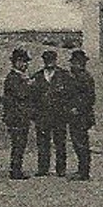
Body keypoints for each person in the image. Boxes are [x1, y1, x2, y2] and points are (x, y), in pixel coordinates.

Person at [31, 49, 71, 178]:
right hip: (42, 115)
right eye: (47, 60)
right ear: (44, 61)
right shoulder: (37, 76)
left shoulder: (64, 75)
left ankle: (61, 169)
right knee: (43, 142)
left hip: (59, 115)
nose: (49, 63)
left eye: (51, 60)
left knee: (60, 142)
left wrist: (65, 109)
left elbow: (69, 95)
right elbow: (33, 96)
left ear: (55, 60)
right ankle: (43, 168)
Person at [2, 49, 34, 179]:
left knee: (20, 144)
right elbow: (21, 94)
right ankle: (15, 171)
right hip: (16, 117)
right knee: (18, 144)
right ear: (16, 62)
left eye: (26, 62)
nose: (25, 65)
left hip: (21, 116)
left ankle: (17, 169)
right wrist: (29, 85)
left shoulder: (19, 77)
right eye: (23, 62)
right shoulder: (13, 78)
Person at [64, 49, 95, 180]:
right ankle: (82, 170)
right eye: (72, 63)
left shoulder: (85, 78)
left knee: (81, 143)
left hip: (82, 116)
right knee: (78, 143)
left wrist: (78, 108)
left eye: (75, 63)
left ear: (80, 64)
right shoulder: (74, 77)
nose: (72, 66)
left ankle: (84, 172)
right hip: (74, 115)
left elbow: (90, 98)